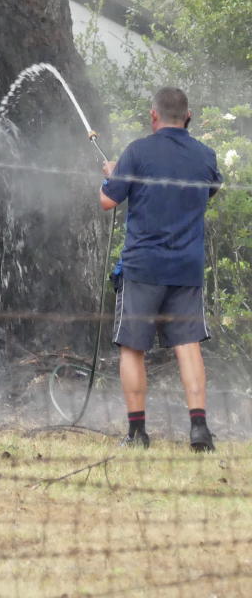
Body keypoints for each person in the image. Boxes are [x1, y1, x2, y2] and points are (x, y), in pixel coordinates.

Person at [100, 87, 221, 452]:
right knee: (188, 346)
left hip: (142, 267)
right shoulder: (205, 156)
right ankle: (199, 429)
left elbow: (108, 200)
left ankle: (137, 434)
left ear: (153, 116)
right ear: (188, 116)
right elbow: (207, 191)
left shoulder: (137, 151)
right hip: (186, 268)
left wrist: (113, 174)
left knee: (133, 348)